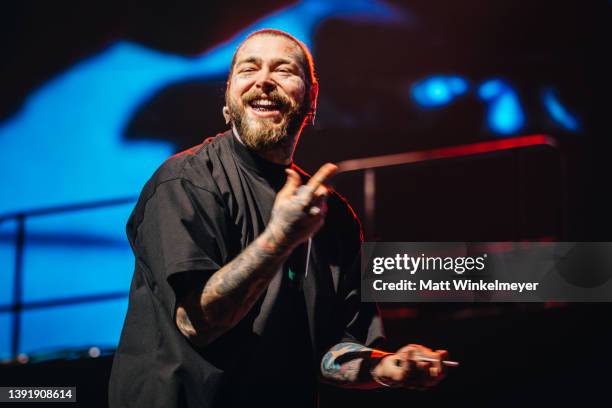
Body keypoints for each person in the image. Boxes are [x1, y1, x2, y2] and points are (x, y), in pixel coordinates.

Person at [108, 29, 450, 408]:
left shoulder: (332, 217)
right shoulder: (185, 181)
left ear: (311, 98)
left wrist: (386, 368)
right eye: (248, 69)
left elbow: (332, 351)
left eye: (283, 70)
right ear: (228, 100)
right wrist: (281, 237)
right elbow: (197, 322)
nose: (264, 80)